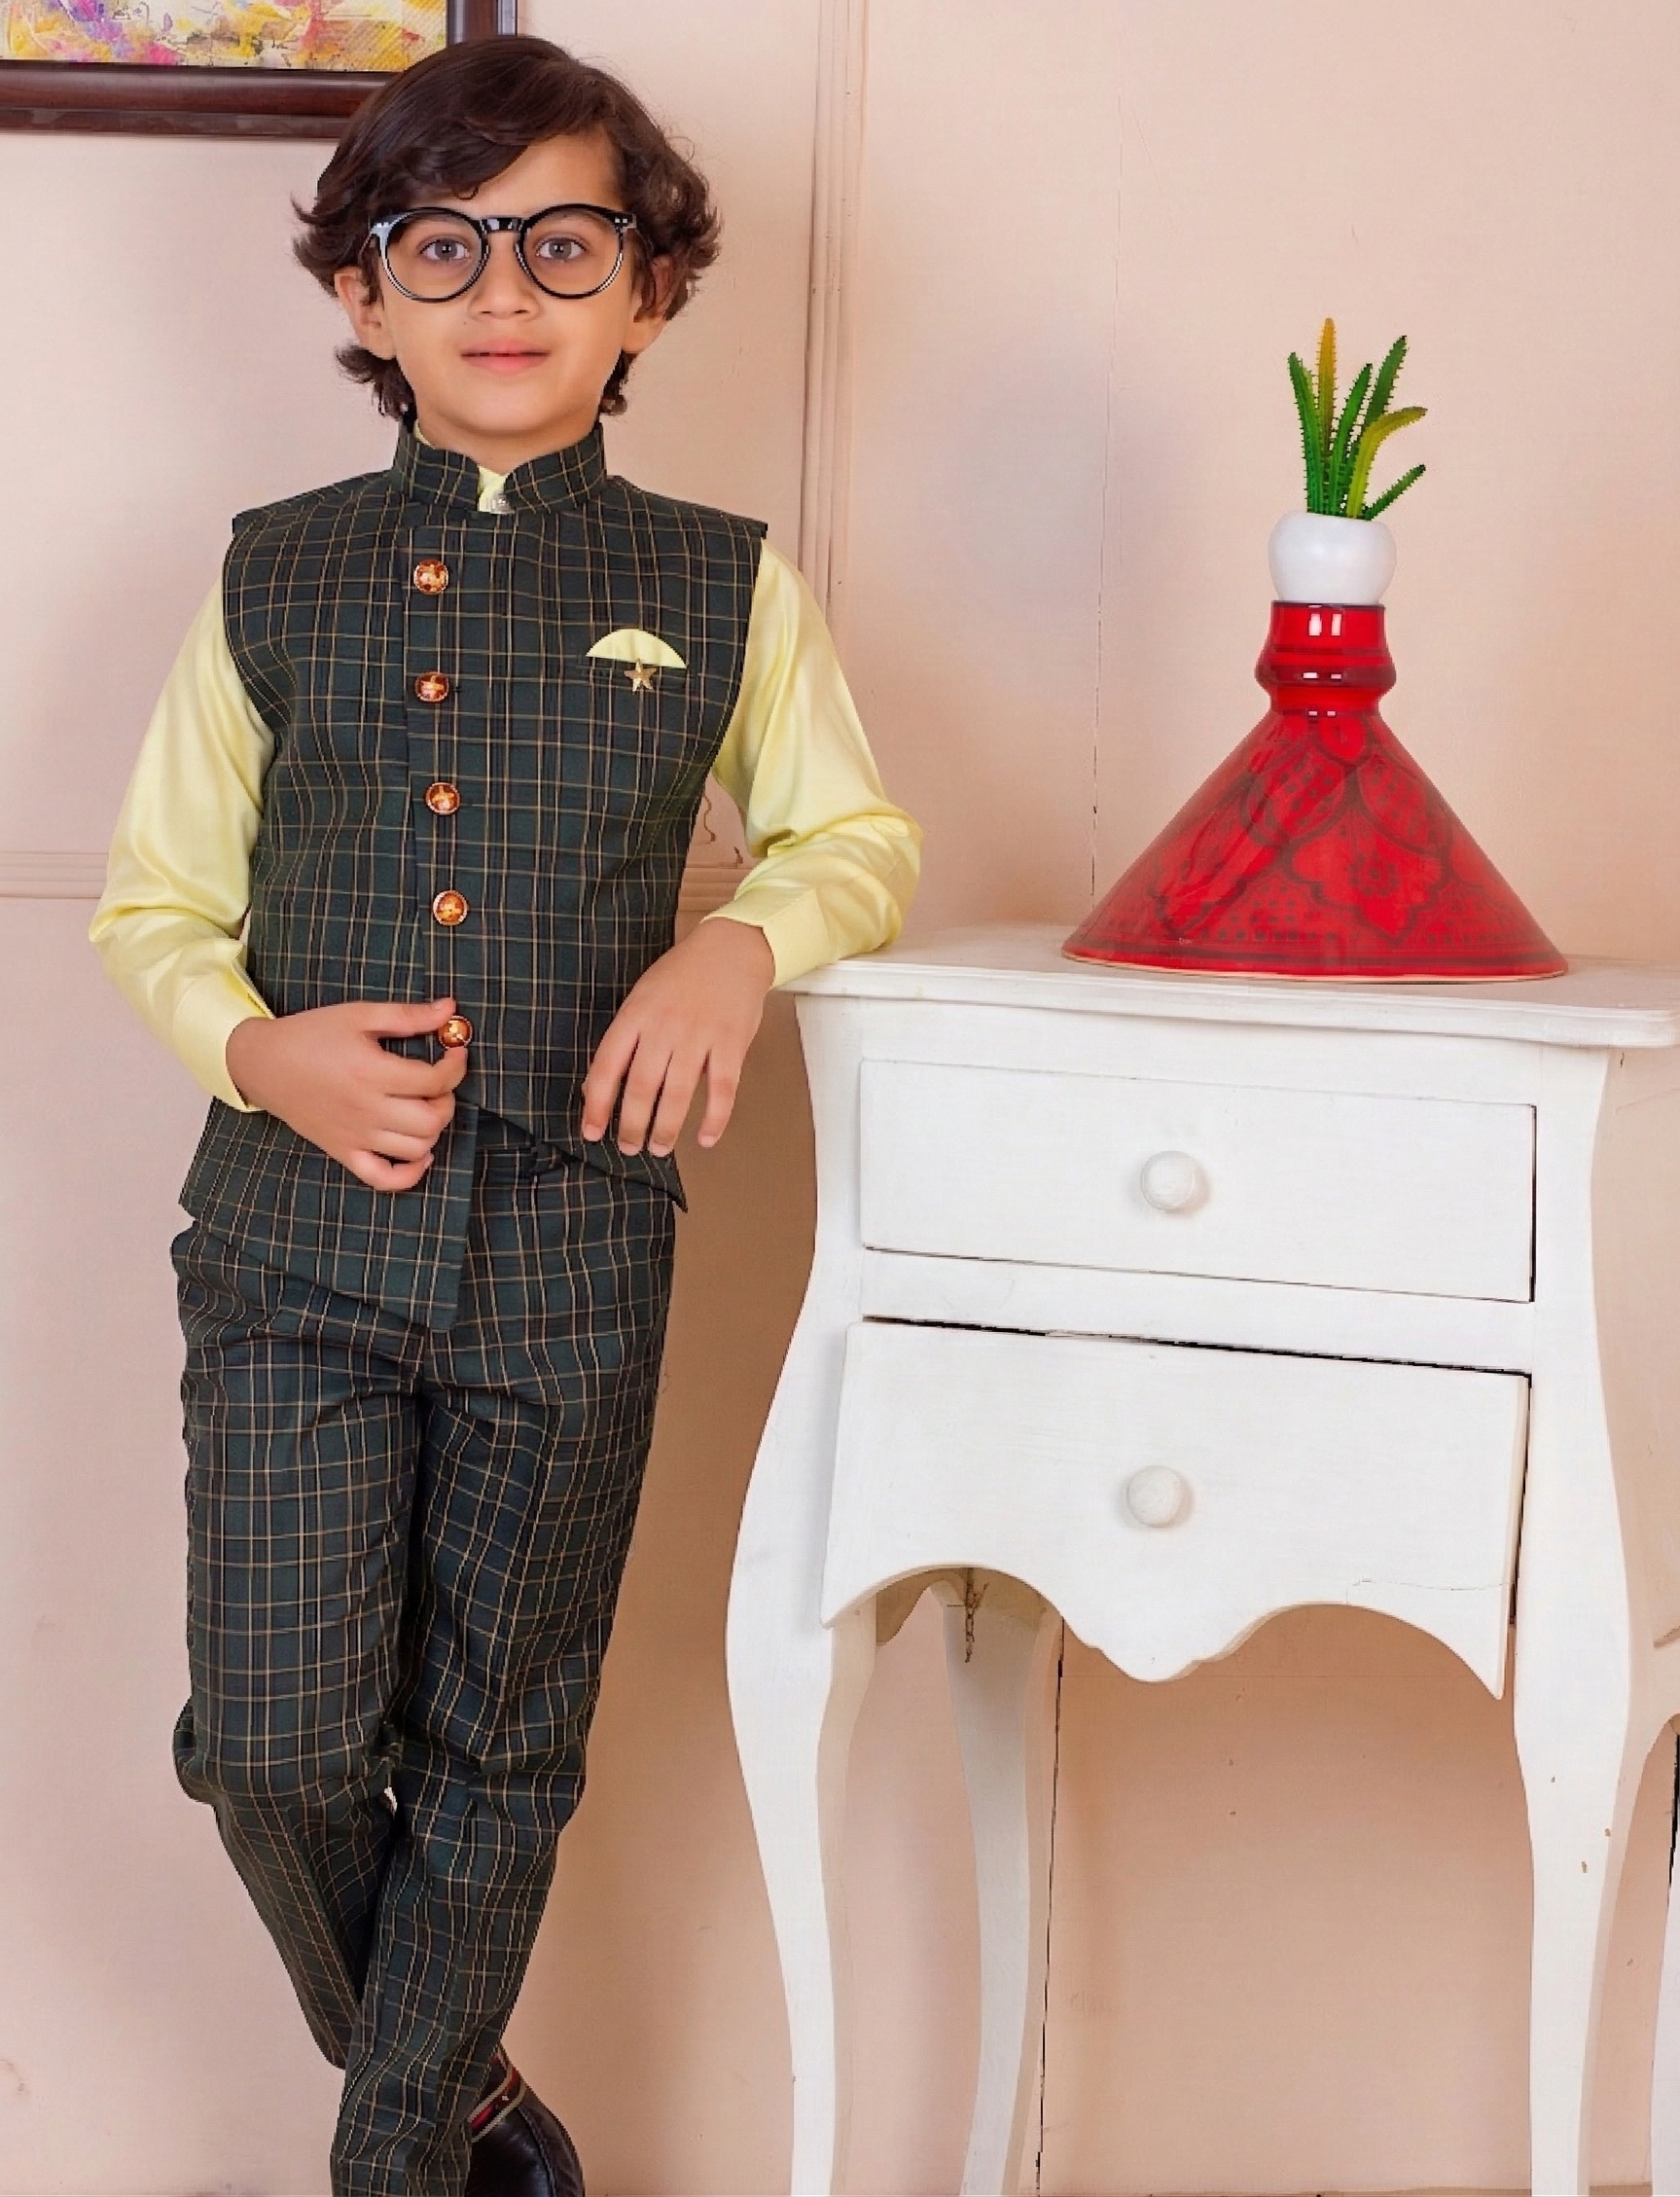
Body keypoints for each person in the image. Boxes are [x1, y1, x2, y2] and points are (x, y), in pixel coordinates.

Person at [89, 34, 918, 2197]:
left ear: (646, 291)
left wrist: (736, 945)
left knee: (495, 1751)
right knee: (269, 1747)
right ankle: (451, 2099)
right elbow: (155, 904)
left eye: (566, 240)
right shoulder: (271, 573)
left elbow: (853, 838)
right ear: (363, 297)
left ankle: (385, 2170)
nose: (502, 286)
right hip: (288, 1252)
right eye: (438, 244)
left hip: (571, 1256)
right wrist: (255, 1043)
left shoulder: (727, 581)